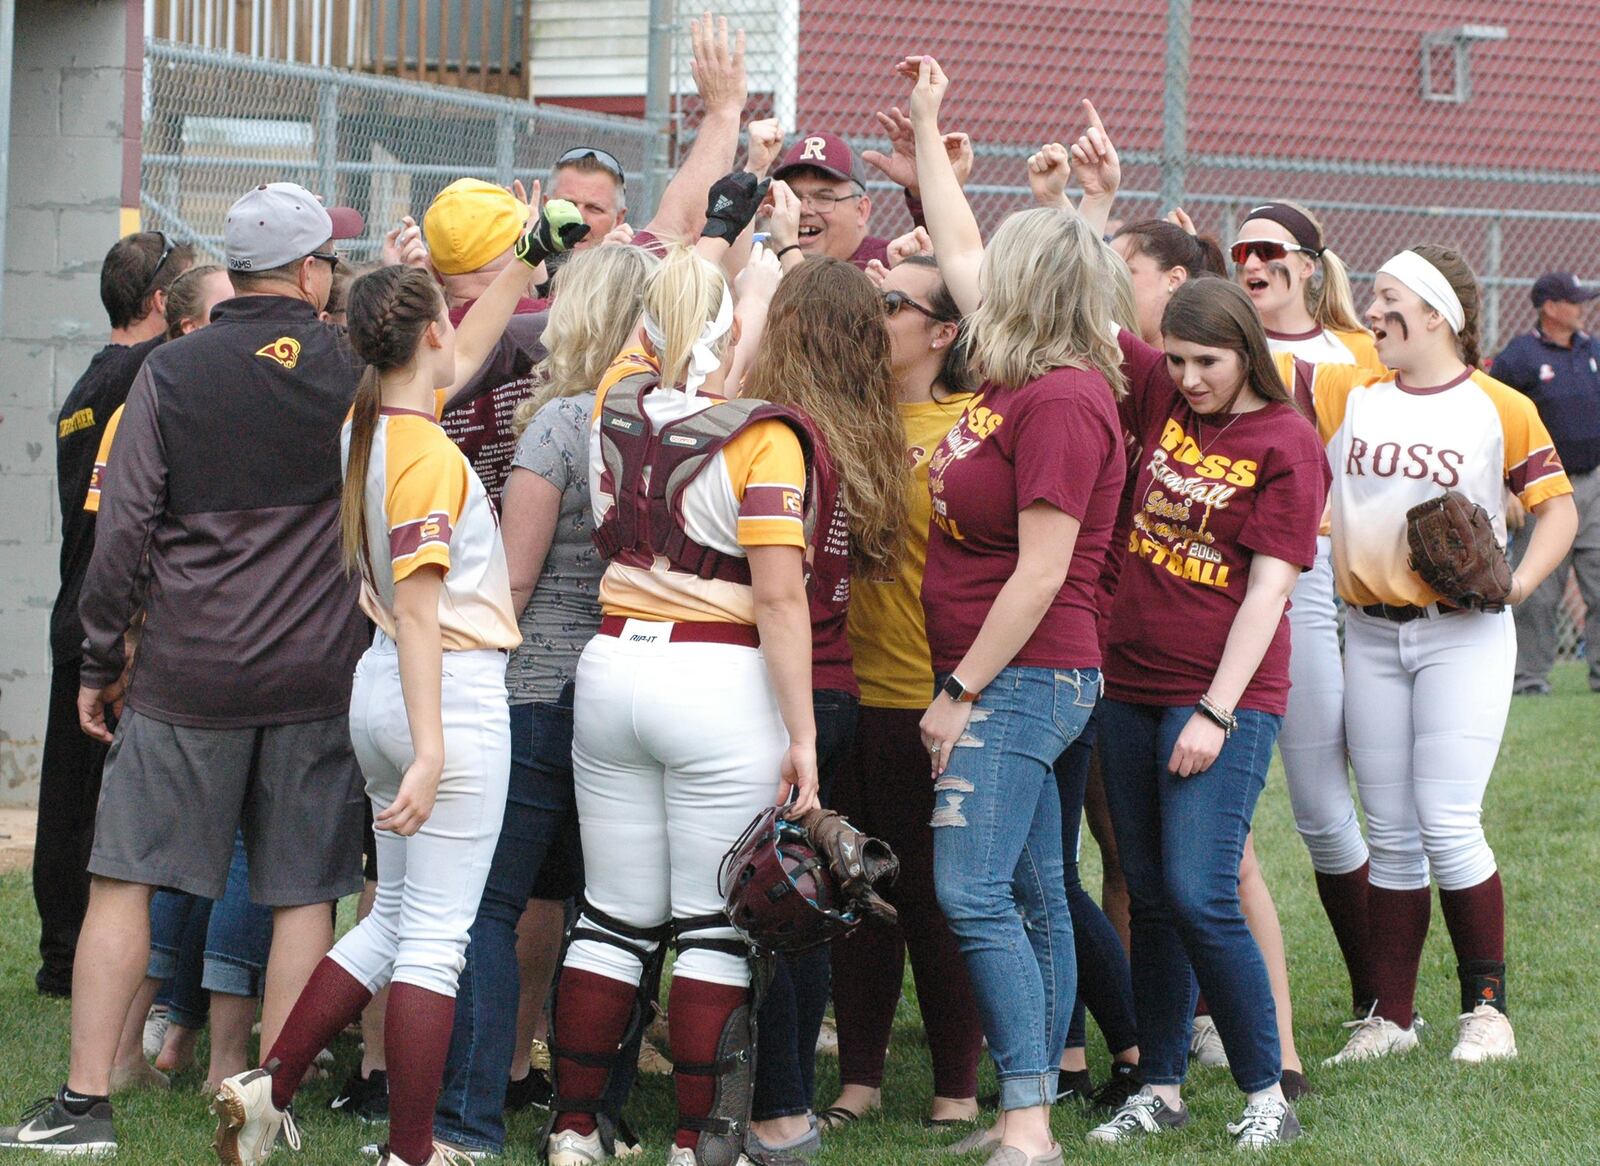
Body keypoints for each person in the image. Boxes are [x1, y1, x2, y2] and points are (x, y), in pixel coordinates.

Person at [208, 198, 589, 1166]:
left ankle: (266, 1085)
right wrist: (430, 749)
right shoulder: (423, 453)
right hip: (440, 693)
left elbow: (453, 360)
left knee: (394, 927)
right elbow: (421, 612)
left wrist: (526, 262)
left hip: (387, 686)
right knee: (436, 941)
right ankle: (412, 1150)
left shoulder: (370, 419)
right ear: (426, 330)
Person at [0, 184, 367, 1158]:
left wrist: (98, 656)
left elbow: (122, 530)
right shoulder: (354, 364)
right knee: (301, 891)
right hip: (316, 673)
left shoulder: (171, 368)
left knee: (124, 878)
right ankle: (267, 1100)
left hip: (189, 671)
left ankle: (85, 1103)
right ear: (310, 269)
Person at [542, 218, 820, 1166]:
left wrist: (724, 247)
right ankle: (699, 1143)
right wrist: (806, 737)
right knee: (710, 925)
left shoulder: (613, 401)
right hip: (716, 673)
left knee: (613, 915)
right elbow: (781, 599)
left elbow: (670, 312)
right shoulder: (763, 438)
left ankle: (575, 1129)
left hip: (614, 664)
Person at [905, 56, 1125, 1166]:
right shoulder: (1012, 375)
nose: (971, 277)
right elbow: (954, 252)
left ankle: (1030, 1121)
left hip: (1025, 674)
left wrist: (957, 693)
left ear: (1035, 289)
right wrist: (931, 119)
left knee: (972, 889)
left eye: (1002, 268)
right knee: (1035, 887)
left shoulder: (1064, 399)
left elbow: (1040, 571)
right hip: (1013, 671)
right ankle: (1029, 1099)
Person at [1314, 246, 1576, 1068]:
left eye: (1391, 300)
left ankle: (1486, 1010)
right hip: (1371, 630)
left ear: (1436, 314)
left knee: (1449, 821)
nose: (1376, 314)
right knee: (1390, 831)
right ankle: (1392, 1018)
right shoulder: (1349, 393)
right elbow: (1283, 341)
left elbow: (1556, 511)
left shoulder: (1497, 405)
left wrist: (1516, 585)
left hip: (1461, 634)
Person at [430, 242, 660, 1159]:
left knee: (490, 904)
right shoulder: (676, 419)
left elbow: (512, 583)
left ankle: (468, 1117)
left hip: (536, 688)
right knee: (618, 911)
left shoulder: (563, 422)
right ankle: (593, 1116)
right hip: (632, 685)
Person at [1089, 278, 1327, 1150]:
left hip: (1221, 697)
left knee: (1200, 889)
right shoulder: (1163, 394)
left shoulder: (1287, 441)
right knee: (1148, 894)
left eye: (1209, 362)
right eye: (1179, 359)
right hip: (1129, 685)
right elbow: (1090, 310)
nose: (1188, 377)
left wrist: (1216, 713)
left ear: (1248, 353)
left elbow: (1270, 591)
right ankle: (1161, 1085)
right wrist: (1080, 208)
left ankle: (1269, 1089)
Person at [738, 255, 909, 1162]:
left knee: (778, 904)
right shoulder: (863, 429)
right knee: (803, 898)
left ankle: (781, 1105)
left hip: (792, 697)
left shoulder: (784, 434)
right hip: (842, 687)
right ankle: (786, 1097)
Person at [823, 253, 985, 1129]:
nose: (873, 314)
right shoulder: (840, 419)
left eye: (891, 303)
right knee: (857, 889)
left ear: (942, 330)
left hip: (937, 692)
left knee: (936, 892)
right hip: (854, 689)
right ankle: (858, 1079)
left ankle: (957, 1087)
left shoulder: (974, 424)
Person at [34, 230, 194, 1000]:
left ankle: (62, 956)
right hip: (115, 617)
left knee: (68, 797)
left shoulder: (90, 381)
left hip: (81, 609)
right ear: (161, 302)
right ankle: (85, 960)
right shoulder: (151, 372)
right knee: (109, 808)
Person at [1490, 271, 1600, 695]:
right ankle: (1530, 677)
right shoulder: (1520, 356)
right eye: (1574, 301)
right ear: (1550, 307)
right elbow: (1493, 421)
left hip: (1592, 481)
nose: (1582, 308)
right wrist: (1505, 485)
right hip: (1543, 488)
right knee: (1539, 589)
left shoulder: (1591, 349)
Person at [765, 118, 965, 271]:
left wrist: (930, 191)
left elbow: (946, 268)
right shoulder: (765, 265)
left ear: (861, 210)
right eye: (794, 197)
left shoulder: (887, 263)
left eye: (824, 197)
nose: (805, 209)